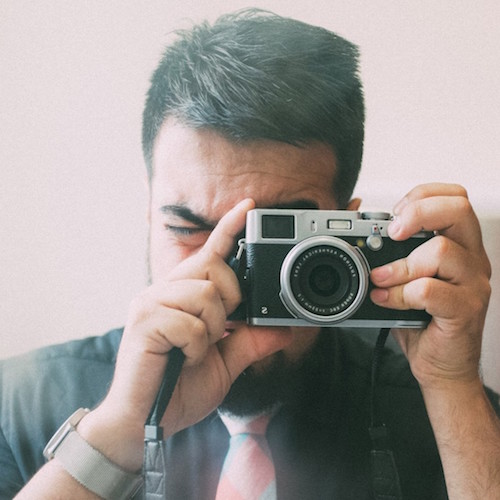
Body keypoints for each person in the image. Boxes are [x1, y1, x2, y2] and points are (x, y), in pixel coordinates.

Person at [1, 8, 499, 500]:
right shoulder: (22, 404)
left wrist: (452, 387)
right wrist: (120, 433)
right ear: (150, 216)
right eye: (189, 229)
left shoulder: (441, 413)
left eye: (281, 237)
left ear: (345, 231)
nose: (230, 275)